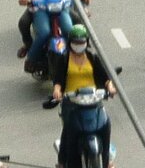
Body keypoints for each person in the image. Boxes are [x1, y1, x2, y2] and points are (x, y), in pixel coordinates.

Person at [48, 23, 117, 167]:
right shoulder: (64, 58)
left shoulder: (92, 57)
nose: (79, 45)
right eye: (76, 42)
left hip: (93, 100)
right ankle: (62, 161)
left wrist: (110, 86)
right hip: (72, 102)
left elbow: (105, 77)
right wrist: (57, 90)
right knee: (69, 130)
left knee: (106, 124)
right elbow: (58, 80)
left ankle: (107, 160)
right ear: (70, 42)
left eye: (81, 42)